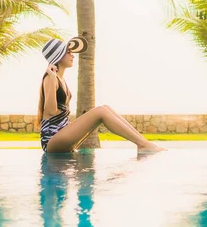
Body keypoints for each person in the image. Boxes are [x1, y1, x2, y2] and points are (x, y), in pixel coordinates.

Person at [37, 36, 165, 153]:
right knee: (100, 111)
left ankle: (144, 143)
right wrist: (52, 78)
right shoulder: (50, 79)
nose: (73, 55)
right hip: (52, 140)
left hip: (61, 135)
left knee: (105, 108)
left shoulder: (60, 79)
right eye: (68, 52)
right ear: (58, 56)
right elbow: (51, 111)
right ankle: (142, 145)